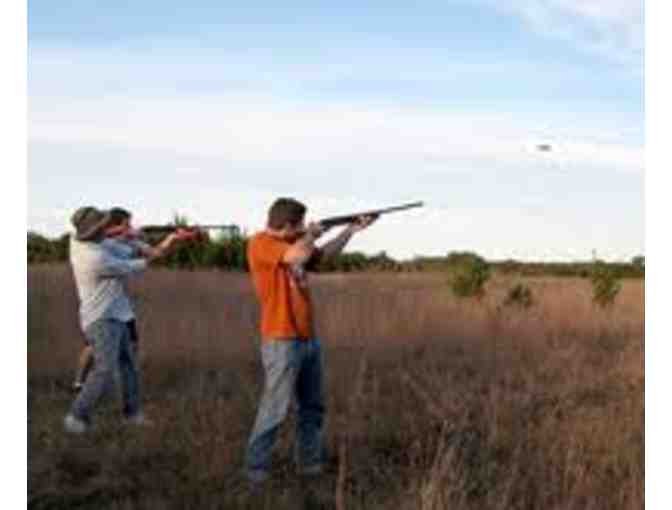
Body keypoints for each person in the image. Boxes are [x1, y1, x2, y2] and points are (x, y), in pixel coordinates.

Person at [245, 197, 375, 483]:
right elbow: (296, 256)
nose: (304, 227)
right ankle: (255, 469)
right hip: (281, 339)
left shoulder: (297, 242)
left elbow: (323, 257)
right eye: (300, 224)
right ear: (289, 225)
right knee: (275, 407)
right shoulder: (261, 243)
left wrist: (350, 231)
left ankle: (309, 464)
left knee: (313, 406)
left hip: (307, 338)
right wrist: (311, 234)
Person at [64, 206, 193, 434]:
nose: (106, 228)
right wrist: (169, 241)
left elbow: (121, 243)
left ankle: (132, 414)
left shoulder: (82, 242)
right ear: (94, 232)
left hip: (118, 314)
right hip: (102, 319)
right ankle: (76, 416)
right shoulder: (96, 258)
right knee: (104, 370)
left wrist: (131, 237)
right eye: (102, 226)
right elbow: (147, 260)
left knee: (129, 367)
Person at [72, 207, 148, 392]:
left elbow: (122, 243)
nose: (130, 226)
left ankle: (84, 383)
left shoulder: (87, 242)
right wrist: (132, 237)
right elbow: (135, 257)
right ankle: (83, 384)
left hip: (120, 308)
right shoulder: (97, 249)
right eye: (126, 223)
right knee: (97, 351)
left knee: (130, 346)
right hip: (103, 311)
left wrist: (131, 236)